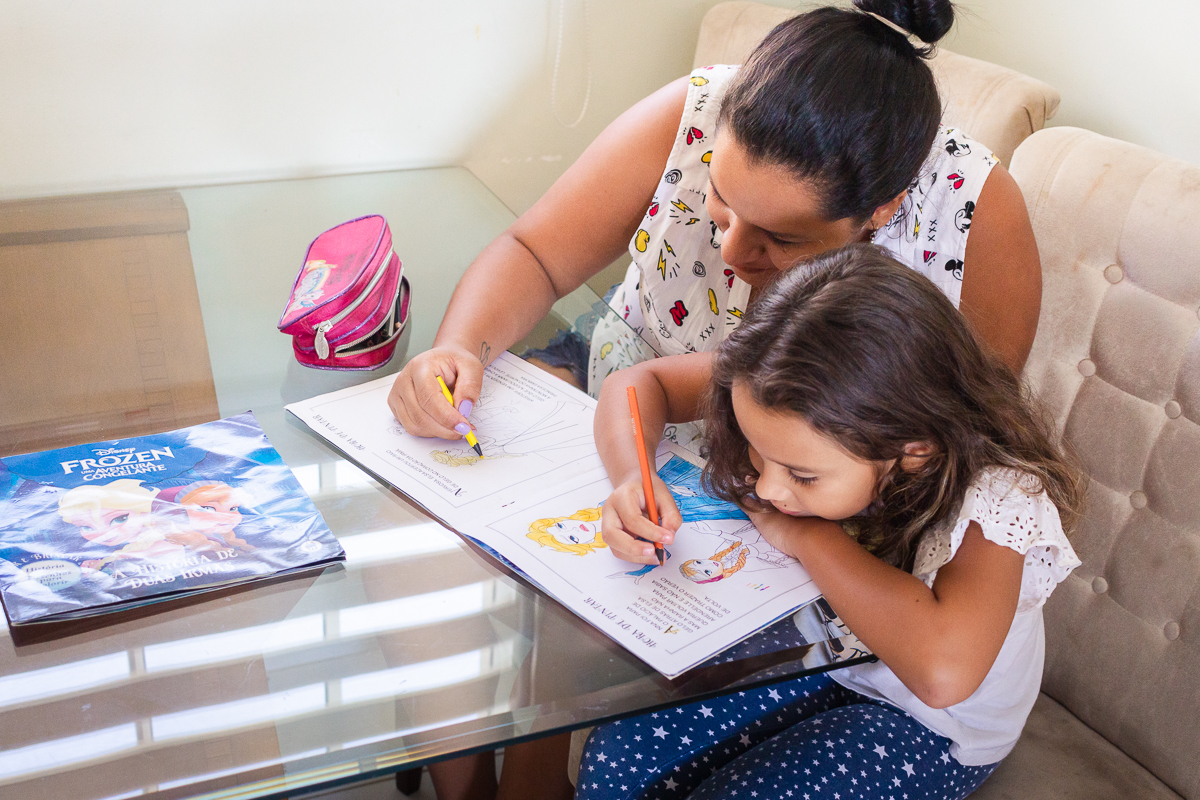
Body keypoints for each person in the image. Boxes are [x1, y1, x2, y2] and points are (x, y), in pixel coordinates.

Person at [399, 0, 1043, 795]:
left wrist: (793, 525)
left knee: (579, 658)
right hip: (691, 459)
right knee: (440, 542)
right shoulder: (774, 353)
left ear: (881, 214)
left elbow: (954, 524)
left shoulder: (900, 388)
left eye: (782, 238)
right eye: (720, 202)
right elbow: (555, 276)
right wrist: (462, 350)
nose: (730, 251)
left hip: (832, 584)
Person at [580, 245, 1084, 800]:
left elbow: (944, 675)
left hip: (931, 724)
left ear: (911, 452)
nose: (768, 489)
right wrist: (633, 478)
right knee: (616, 757)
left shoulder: (1000, 497)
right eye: (757, 451)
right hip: (823, 663)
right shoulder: (776, 381)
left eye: (802, 474)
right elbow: (637, 385)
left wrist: (807, 536)